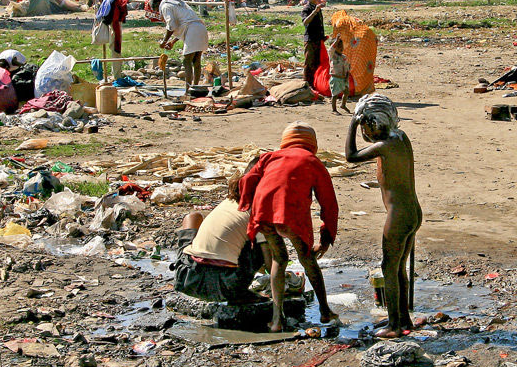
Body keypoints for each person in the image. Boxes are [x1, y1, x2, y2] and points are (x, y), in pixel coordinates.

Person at [238, 122, 339, 332]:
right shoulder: (313, 162)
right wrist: (325, 238)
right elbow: (329, 204)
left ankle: (277, 320)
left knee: (279, 259)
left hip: (263, 213)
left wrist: (246, 203)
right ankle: (324, 311)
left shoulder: (269, 157)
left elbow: (247, 179)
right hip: (291, 215)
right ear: (312, 144)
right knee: (307, 259)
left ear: (285, 143)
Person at [344, 94, 422, 339]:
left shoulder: (384, 145)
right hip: (413, 212)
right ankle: (402, 318)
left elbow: (351, 156)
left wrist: (352, 125)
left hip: (399, 215)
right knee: (399, 269)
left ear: (372, 122)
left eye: (366, 125)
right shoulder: (400, 138)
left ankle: (395, 326)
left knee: (389, 267)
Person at [171, 159, 273, 306]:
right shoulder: (260, 210)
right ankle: (239, 294)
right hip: (225, 287)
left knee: (194, 218)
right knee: (263, 242)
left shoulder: (231, 200)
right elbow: (270, 264)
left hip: (185, 277)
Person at [151, 0, 208, 91]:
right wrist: (172, 41)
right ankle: (195, 88)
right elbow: (184, 24)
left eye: (156, 10)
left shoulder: (165, 6)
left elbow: (171, 25)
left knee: (187, 61)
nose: (158, 12)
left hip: (192, 29)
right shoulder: (176, 3)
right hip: (200, 28)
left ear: (157, 4)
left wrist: (164, 41)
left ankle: (188, 90)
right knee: (196, 61)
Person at [94, 0, 130, 81]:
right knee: (115, 50)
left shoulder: (111, 4)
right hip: (113, 27)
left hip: (115, 27)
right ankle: (116, 75)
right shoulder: (108, 5)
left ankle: (116, 75)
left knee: (115, 50)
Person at [300, 0, 326, 86]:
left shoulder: (318, 8)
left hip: (318, 39)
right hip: (310, 40)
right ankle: (307, 85)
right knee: (309, 64)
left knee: (317, 63)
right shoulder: (307, 9)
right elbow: (305, 22)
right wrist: (314, 12)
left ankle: (316, 84)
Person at [328, 36, 351, 115]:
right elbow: (330, 50)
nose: (341, 48)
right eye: (339, 46)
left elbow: (347, 68)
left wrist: (346, 76)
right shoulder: (333, 56)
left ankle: (343, 105)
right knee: (335, 95)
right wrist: (335, 42)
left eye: (342, 46)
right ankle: (334, 110)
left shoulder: (344, 57)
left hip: (343, 79)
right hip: (335, 78)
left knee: (347, 92)